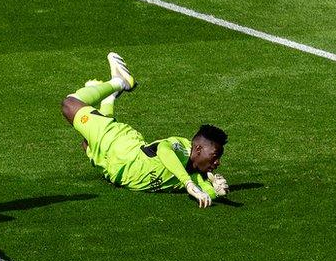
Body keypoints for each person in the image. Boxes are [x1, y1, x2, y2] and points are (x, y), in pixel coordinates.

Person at [61, 52, 229, 208]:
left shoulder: (194, 175)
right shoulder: (181, 148)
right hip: (119, 145)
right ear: (198, 148)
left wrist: (218, 190)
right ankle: (119, 82)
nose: (217, 162)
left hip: (110, 167)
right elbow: (163, 150)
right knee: (69, 105)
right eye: (215, 156)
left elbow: (206, 192)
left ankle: (108, 98)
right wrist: (188, 184)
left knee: (87, 142)